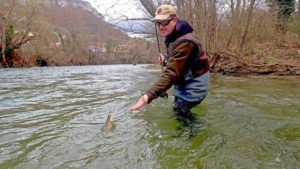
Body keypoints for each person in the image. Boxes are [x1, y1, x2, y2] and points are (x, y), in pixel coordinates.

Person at [130, 4, 210, 116]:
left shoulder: (186, 42)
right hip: (185, 79)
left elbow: (171, 73)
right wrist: (166, 61)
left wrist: (148, 96)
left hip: (195, 83)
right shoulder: (174, 34)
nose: (161, 27)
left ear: (174, 20)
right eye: (158, 23)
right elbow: (179, 60)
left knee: (180, 114)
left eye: (164, 22)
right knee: (177, 109)